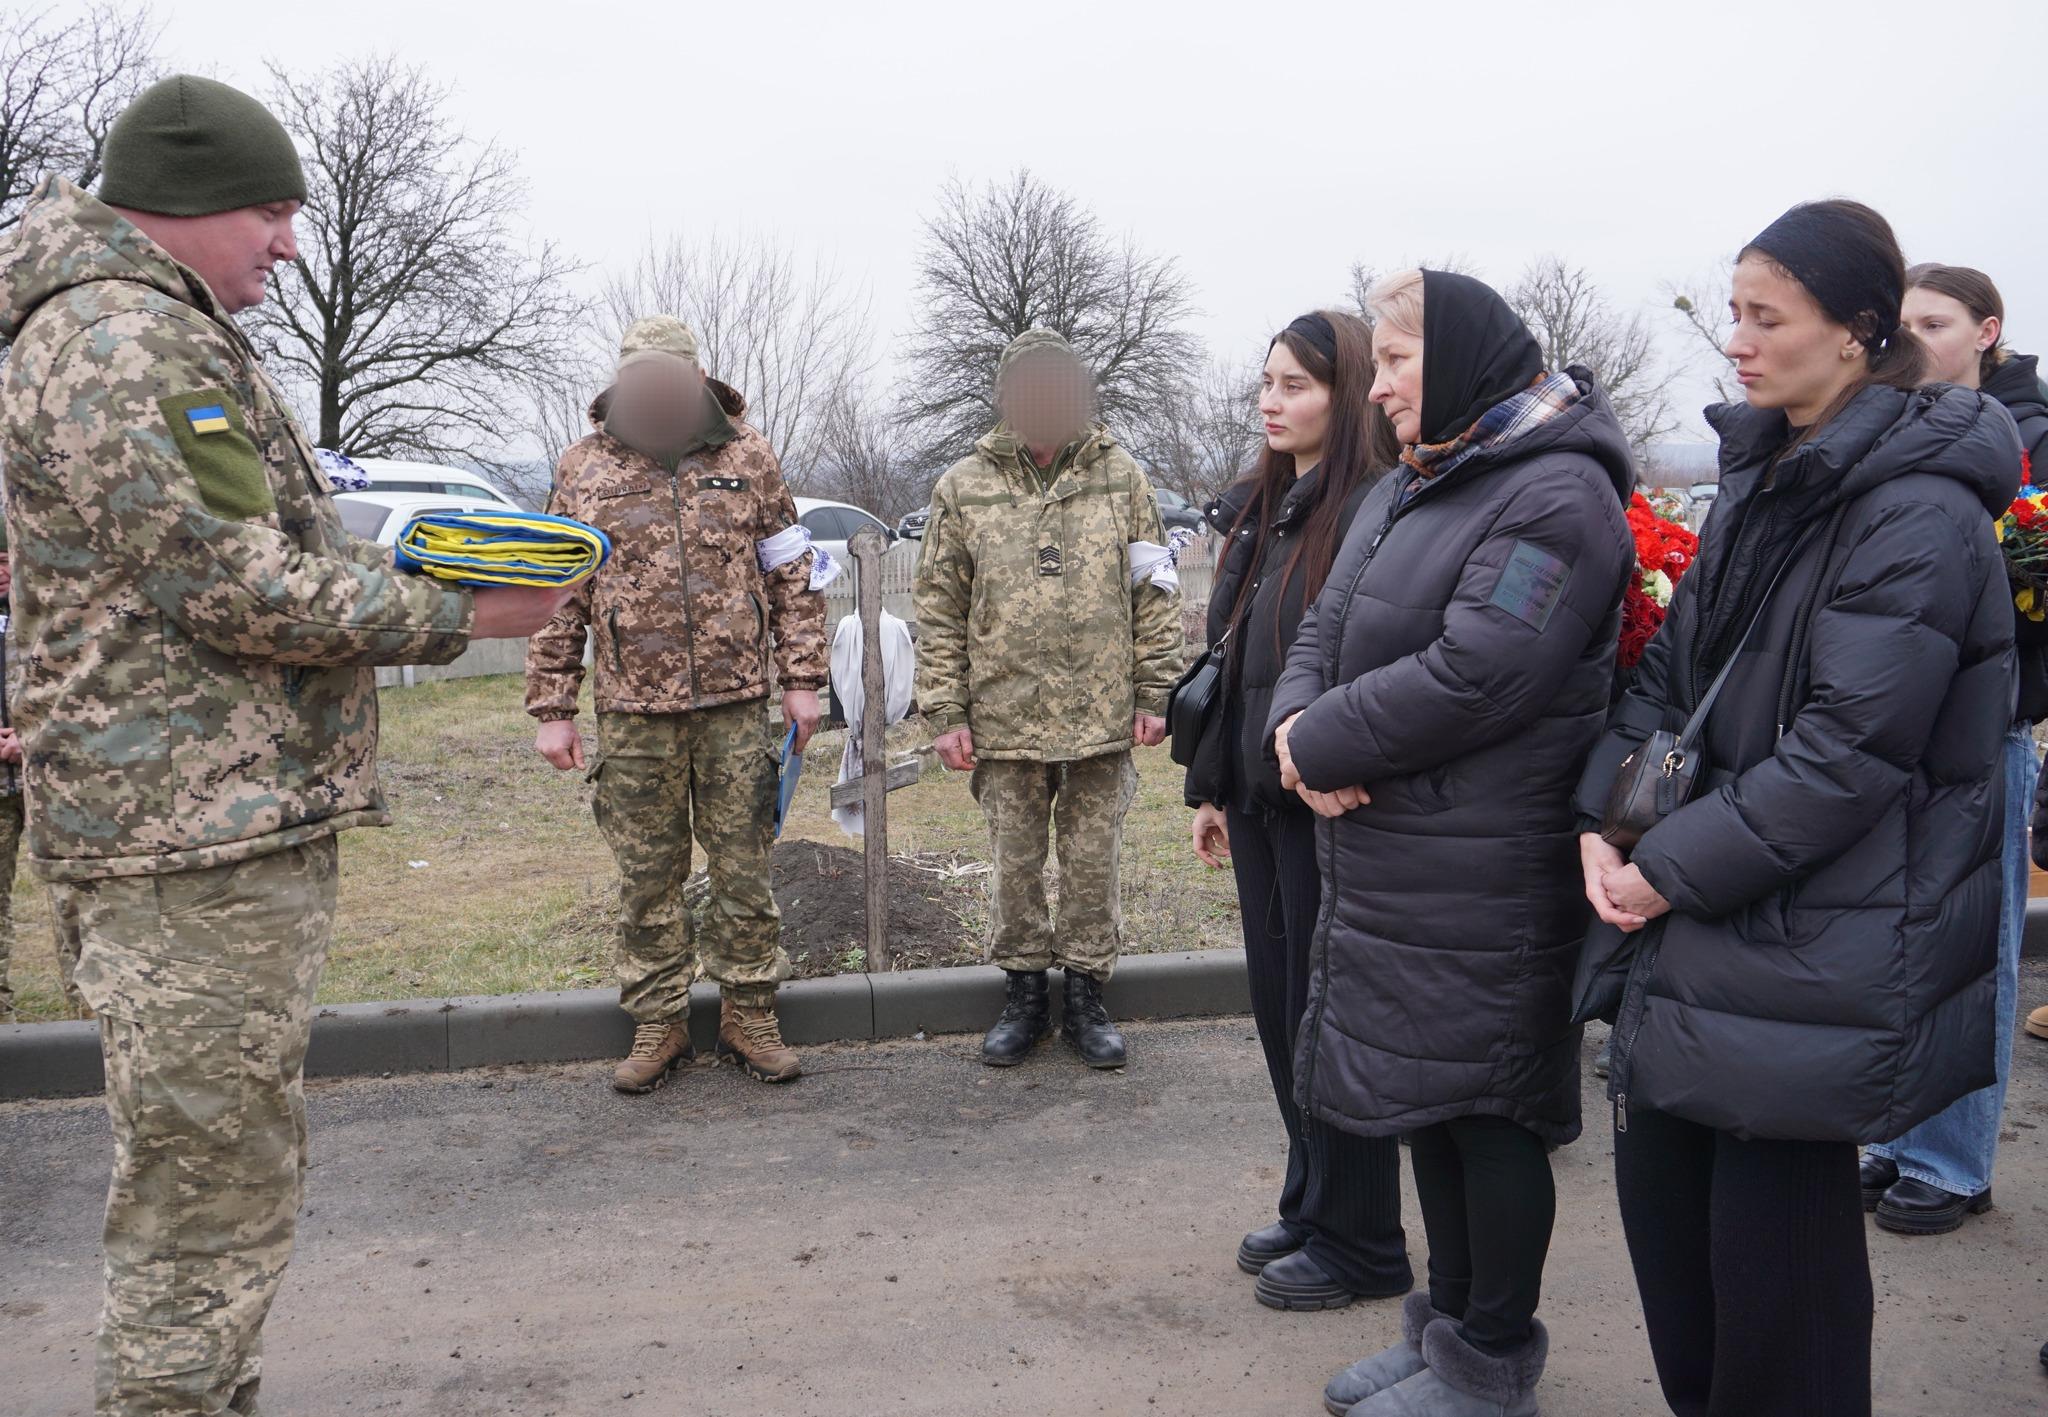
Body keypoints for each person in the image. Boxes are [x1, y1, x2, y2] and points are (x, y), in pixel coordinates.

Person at [0, 75, 565, 1414]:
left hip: (187, 824)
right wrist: (460, 613)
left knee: (216, 1188)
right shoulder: (128, 343)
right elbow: (226, 578)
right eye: (268, 211)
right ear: (181, 207)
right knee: (203, 1215)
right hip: (185, 845)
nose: (290, 243)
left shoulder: (127, 330)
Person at [1575, 200, 2017, 1417]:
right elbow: (1668, 677)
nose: (1737, 341)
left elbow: (1848, 751)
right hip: (1702, 907)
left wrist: (1665, 867)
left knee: (1777, 1285)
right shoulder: (1766, 474)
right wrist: (1603, 829)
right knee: (1676, 1246)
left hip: (1810, 933)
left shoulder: (1914, 508)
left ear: (1856, 333)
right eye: (1732, 312)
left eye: (1765, 317)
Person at [1268, 270, 1635, 1416]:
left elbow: (1484, 668)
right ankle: (1441, 1335)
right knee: (1423, 1103)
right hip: (1398, 858)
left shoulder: (1555, 497)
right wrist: (1291, 725)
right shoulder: (1418, 484)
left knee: (1490, 1113)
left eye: (1392, 361)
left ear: (1466, 355)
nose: (1373, 389)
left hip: (1492, 865)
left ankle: (1491, 1357)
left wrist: (1321, 741)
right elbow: (1325, 618)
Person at [526, 316, 828, 1093]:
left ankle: (748, 1012)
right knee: (647, 876)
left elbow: (791, 575)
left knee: (743, 869)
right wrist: (552, 704)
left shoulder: (748, 456)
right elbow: (558, 595)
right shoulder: (583, 467)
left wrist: (803, 680)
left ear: (695, 382)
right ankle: (659, 1021)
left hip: (737, 704)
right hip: (632, 709)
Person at [1183, 310, 1413, 1312]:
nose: (1271, 402)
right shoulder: (1266, 500)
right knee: (1282, 1014)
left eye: (1295, 384)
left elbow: (1360, 663)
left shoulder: (1370, 506)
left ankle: (1362, 1235)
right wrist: (1210, 788)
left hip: (1328, 807)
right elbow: (1231, 662)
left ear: (1348, 389)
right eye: (1265, 383)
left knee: (1331, 1019)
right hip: (1257, 800)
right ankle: (1311, 1199)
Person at [914, 328, 1183, 1069]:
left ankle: (1087, 994)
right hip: (1004, 716)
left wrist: (1155, 688)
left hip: (1100, 716)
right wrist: (946, 709)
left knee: (1093, 861)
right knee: (1014, 864)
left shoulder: (1121, 476)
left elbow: (1154, 591)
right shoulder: (963, 485)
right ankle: (1025, 991)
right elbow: (937, 605)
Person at [1858, 264, 2044, 1233]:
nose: (1914, 336)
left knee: (1972, 946)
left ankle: (1951, 1155)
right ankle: (1890, 1134)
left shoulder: (2033, 444)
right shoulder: (1886, 428)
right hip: (1892, 724)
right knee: (1889, 938)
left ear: (1986, 330)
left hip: (1988, 724)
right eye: (1901, 322)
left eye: (1934, 321)